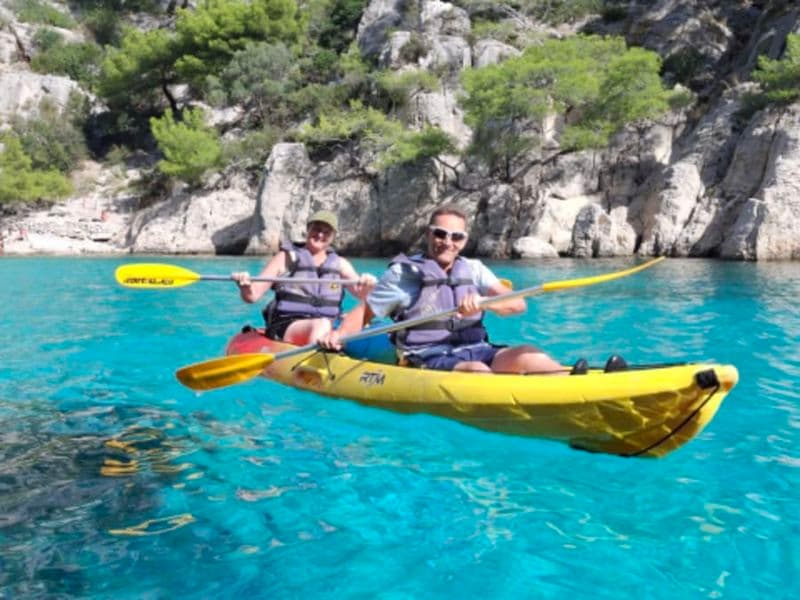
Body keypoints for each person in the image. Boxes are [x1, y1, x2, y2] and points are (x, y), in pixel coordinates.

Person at [320, 205, 566, 374]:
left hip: (476, 349)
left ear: (464, 240)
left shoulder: (474, 268)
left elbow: (517, 304)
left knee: (528, 354)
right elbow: (366, 312)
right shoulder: (403, 274)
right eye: (440, 234)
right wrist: (339, 334)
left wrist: (484, 302)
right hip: (426, 354)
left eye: (456, 237)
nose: (448, 242)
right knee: (479, 372)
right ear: (428, 234)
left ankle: (571, 388)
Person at [232, 210, 376, 345]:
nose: (320, 235)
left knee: (359, 318)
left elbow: (363, 294)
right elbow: (253, 295)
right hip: (289, 324)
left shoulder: (340, 264)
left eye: (326, 232)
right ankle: (321, 362)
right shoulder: (286, 257)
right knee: (322, 324)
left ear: (333, 237)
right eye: (316, 229)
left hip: (329, 324)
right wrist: (246, 286)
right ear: (308, 230)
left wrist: (368, 285)